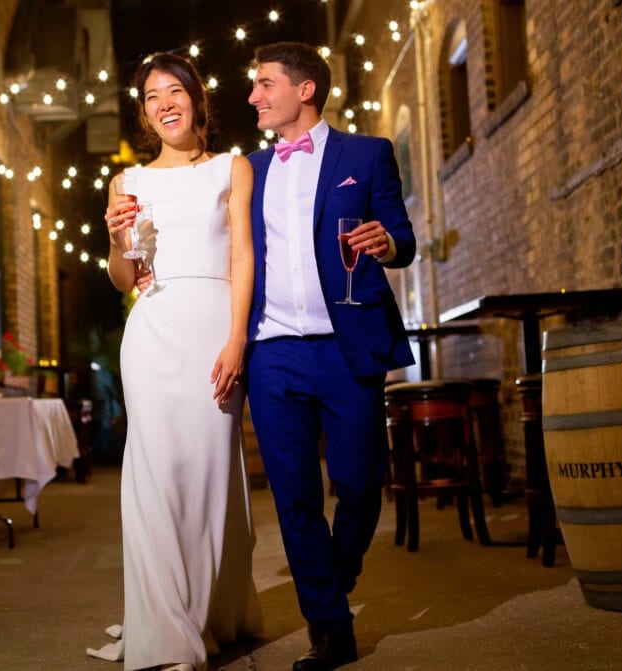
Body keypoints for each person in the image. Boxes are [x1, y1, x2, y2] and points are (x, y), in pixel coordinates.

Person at [244, 42, 417, 671]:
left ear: (305, 89)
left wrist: (388, 244)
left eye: (265, 84)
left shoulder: (368, 154)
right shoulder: (248, 170)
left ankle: (333, 575)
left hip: (348, 346)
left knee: (361, 484)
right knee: (292, 495)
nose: (255, 96)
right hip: (273, 352)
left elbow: (404, 238)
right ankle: (329, 628)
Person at [87, 52, 262, 671]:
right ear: (144, 112)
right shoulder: (127, 182)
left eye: (175, 91)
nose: (166, 103)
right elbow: (123, 279)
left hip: (214, 328)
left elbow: (243, 256)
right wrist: (114, 238)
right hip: (153, 330)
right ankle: (165, 634)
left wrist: (238, 338)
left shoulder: (231, 169)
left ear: (197, 99)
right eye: (153, 95)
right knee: (153, 475)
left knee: (212, 473)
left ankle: (212, 609)